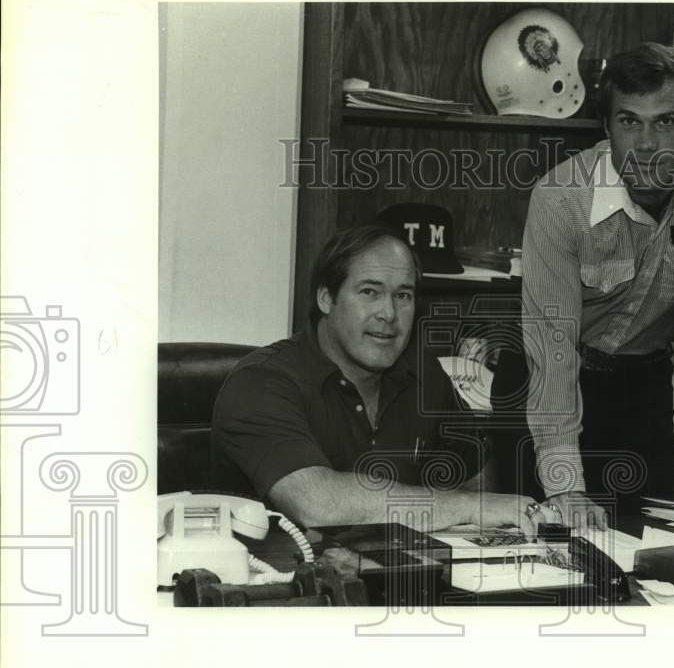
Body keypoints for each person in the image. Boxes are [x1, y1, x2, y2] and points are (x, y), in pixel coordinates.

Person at [521, 42, 674, 529]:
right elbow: (551, 353)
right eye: (629, 121)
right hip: (554, 380)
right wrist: (566, 485)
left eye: (666, 122)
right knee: (551, 556)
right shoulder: (560, 200)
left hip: (644, 385)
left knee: (655, 556)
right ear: (606, 127)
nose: (645, 144)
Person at [212, 223, 546, 537]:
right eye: (370, 292)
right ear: (326, 298)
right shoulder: (262, 382)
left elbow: (477, 478)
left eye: (403, 295)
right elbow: (316, 503)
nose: (388, 313)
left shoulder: (423, 373)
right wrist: (468, 508)